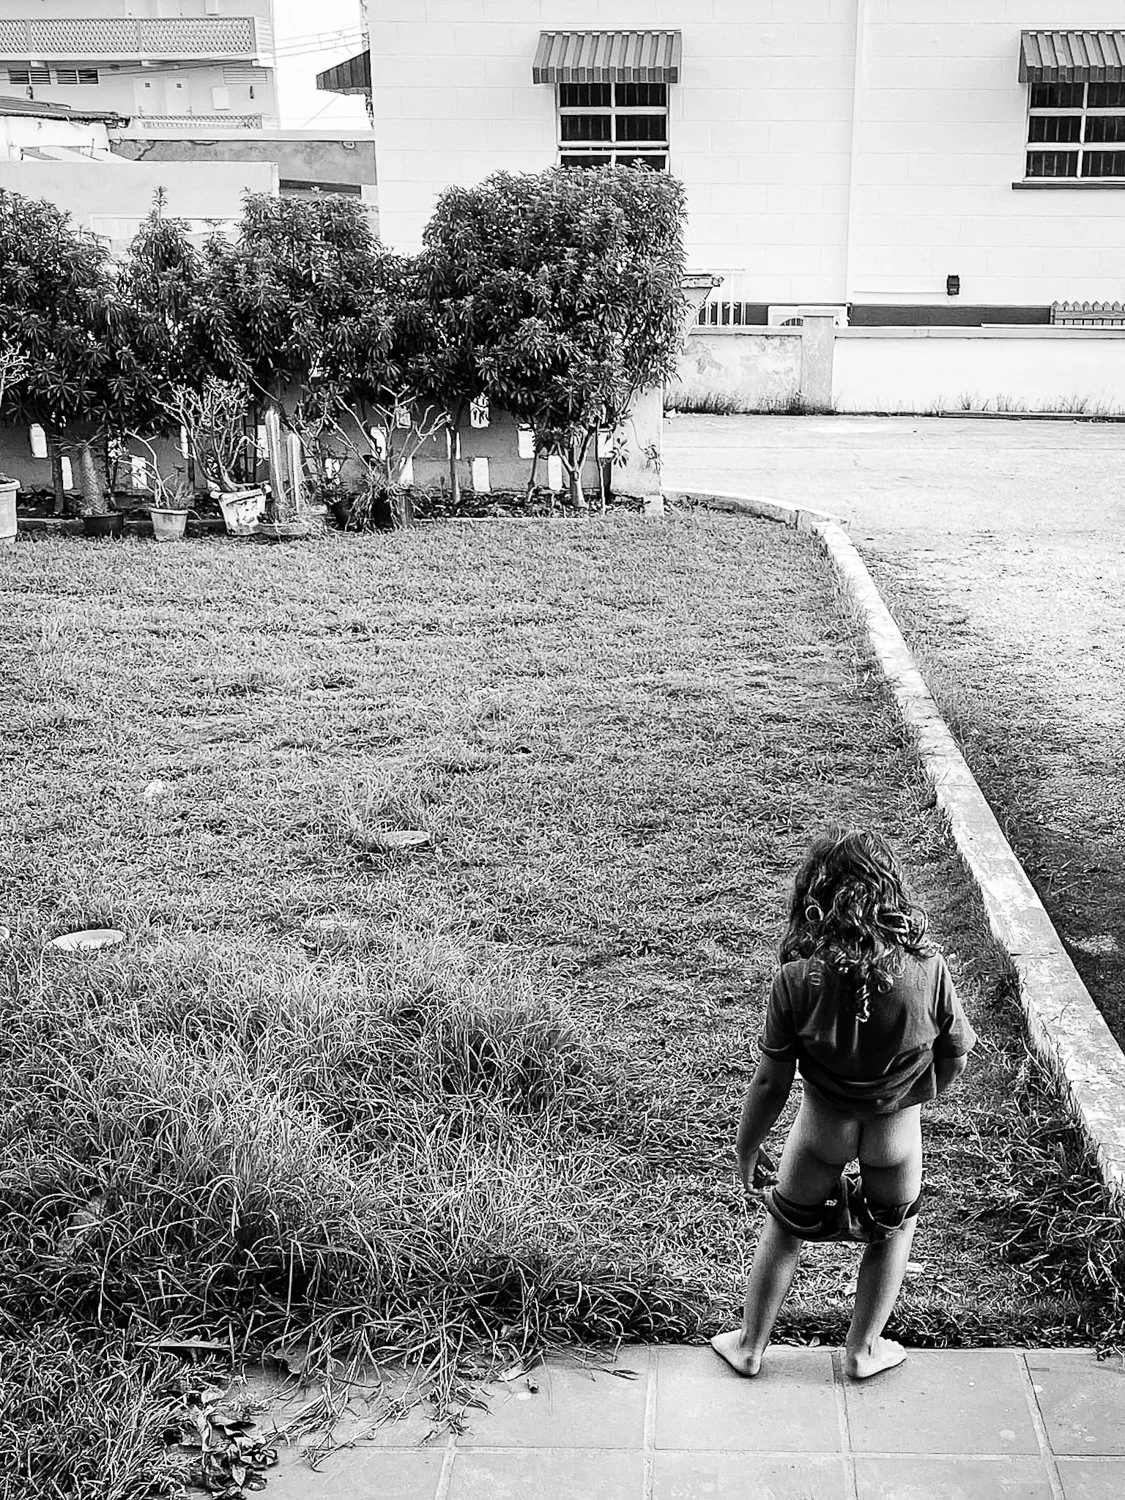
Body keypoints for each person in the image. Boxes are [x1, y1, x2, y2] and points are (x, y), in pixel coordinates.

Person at [711, 827, 977, 1380]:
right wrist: (919, 1095)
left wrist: (747, 1148)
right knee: (892, 1231)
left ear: (814, 899)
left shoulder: (795, 981)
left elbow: (770, 1083)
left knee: (785, 1228)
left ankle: (751, 1346)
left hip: (820, 1134)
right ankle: (862, 1351)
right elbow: (958, 1050)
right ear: (891, 892)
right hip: (895, 1138)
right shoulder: (928, 969)